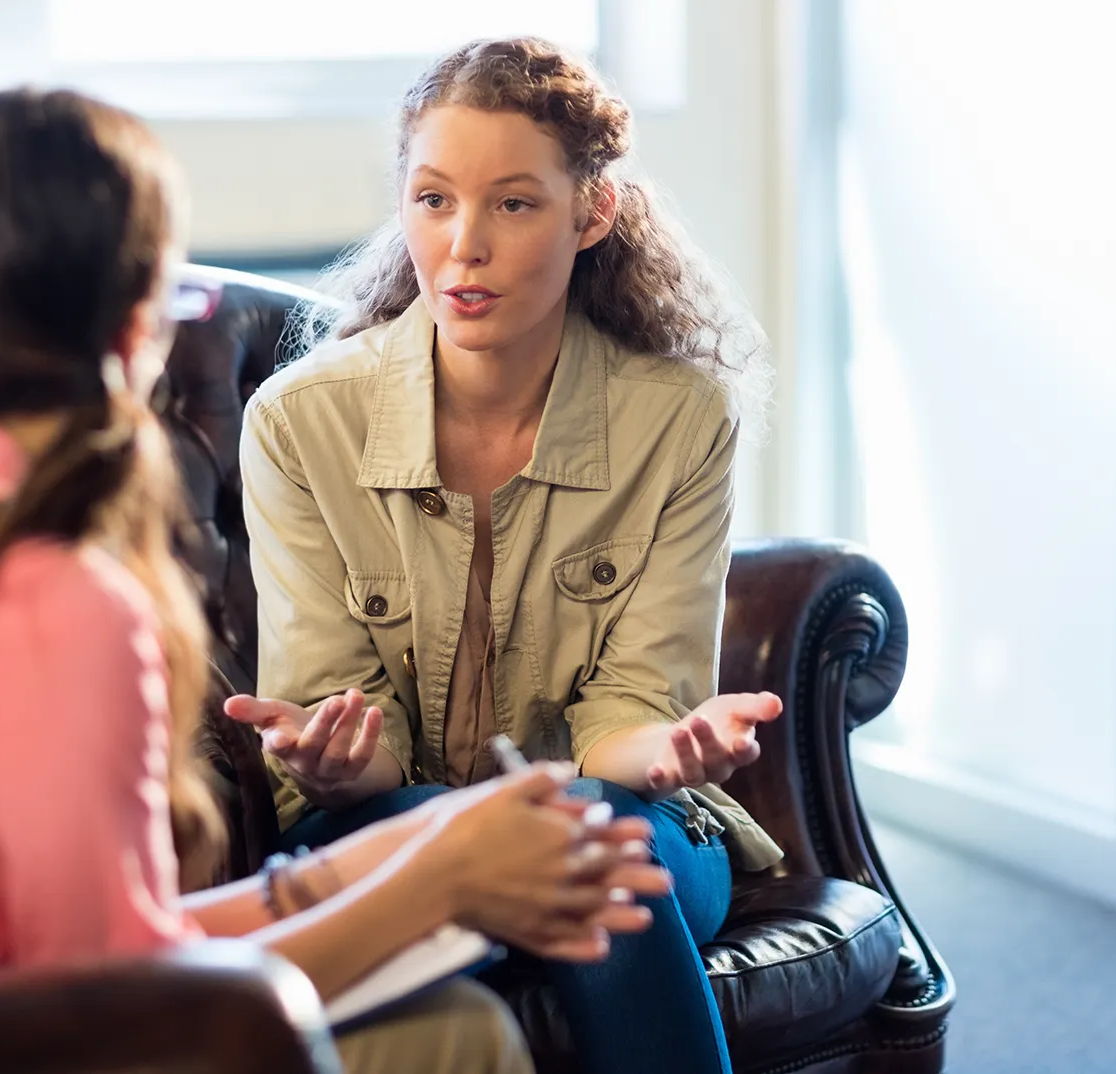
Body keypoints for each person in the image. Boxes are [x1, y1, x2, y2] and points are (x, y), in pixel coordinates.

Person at [0, 86, 675, 1074]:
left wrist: (426, 846)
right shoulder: (49, 599)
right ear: (134, 331)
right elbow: (134, 1008)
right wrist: (436, 882)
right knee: (460, 1031)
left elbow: (104, 947)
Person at [224, 37, 781, 1074]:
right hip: (385, 815)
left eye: (513, 204)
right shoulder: (300, 423)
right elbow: (342, 734)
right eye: (433, 199)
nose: (462, 246)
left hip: (625, 813)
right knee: (509, 856)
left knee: (587, 841)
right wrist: (338, 757)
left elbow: (629, 711)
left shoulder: (679, 418)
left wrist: (665, 754)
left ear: (591, 213)